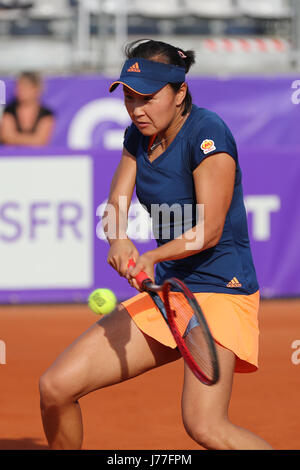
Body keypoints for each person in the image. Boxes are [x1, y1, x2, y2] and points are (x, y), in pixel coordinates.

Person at [39, 39, 272, 450]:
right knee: (56, 387)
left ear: (180, 92)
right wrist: (118, 237)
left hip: (222, 290)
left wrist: (151, 255)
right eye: (129, 98)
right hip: (170, 291)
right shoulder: (137, 136)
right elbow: (116, 200)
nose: (136, 109)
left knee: (205, 425)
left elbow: (210, 229)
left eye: (147, 98)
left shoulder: (208, 131)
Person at [0, 71, 54, 146]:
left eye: (24, 87)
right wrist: (32, 139)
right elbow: (6, 137)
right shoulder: (9, 110)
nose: (19, 90)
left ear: (36, 89)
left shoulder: (46, 113)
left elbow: (41, 141)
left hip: (36, 157)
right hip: (12, 157)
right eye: (18, 86)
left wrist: (14, 138)